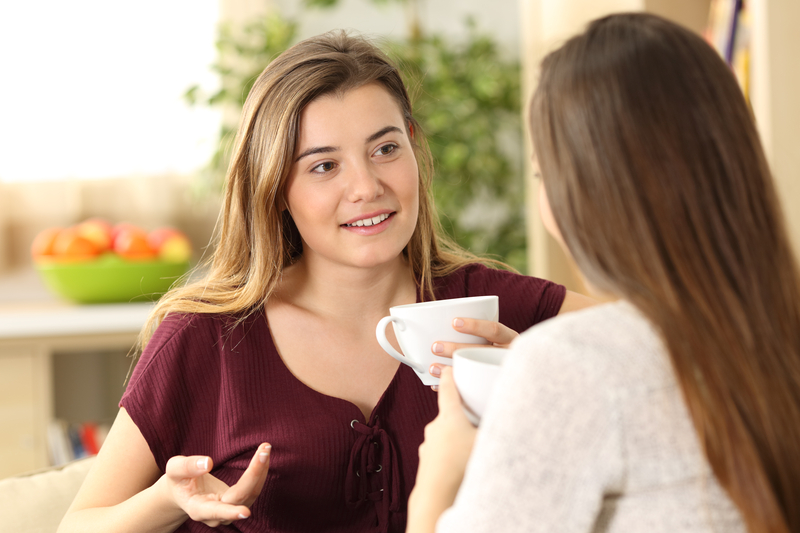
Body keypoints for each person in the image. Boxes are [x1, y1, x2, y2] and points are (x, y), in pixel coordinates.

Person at [58, 31, 593, 533]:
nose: (366, 186)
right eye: (323, 166)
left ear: (413, 148)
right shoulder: (207, 338)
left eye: (385, 149)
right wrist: (164, 501)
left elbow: (668, 341)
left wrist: (546, 378)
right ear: (276, 188)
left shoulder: (492, 309)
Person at [408, 12, 800, 533]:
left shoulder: (574, 363)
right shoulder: (776, 338)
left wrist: (438, 476)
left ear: (587, 189)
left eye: (542, 173)